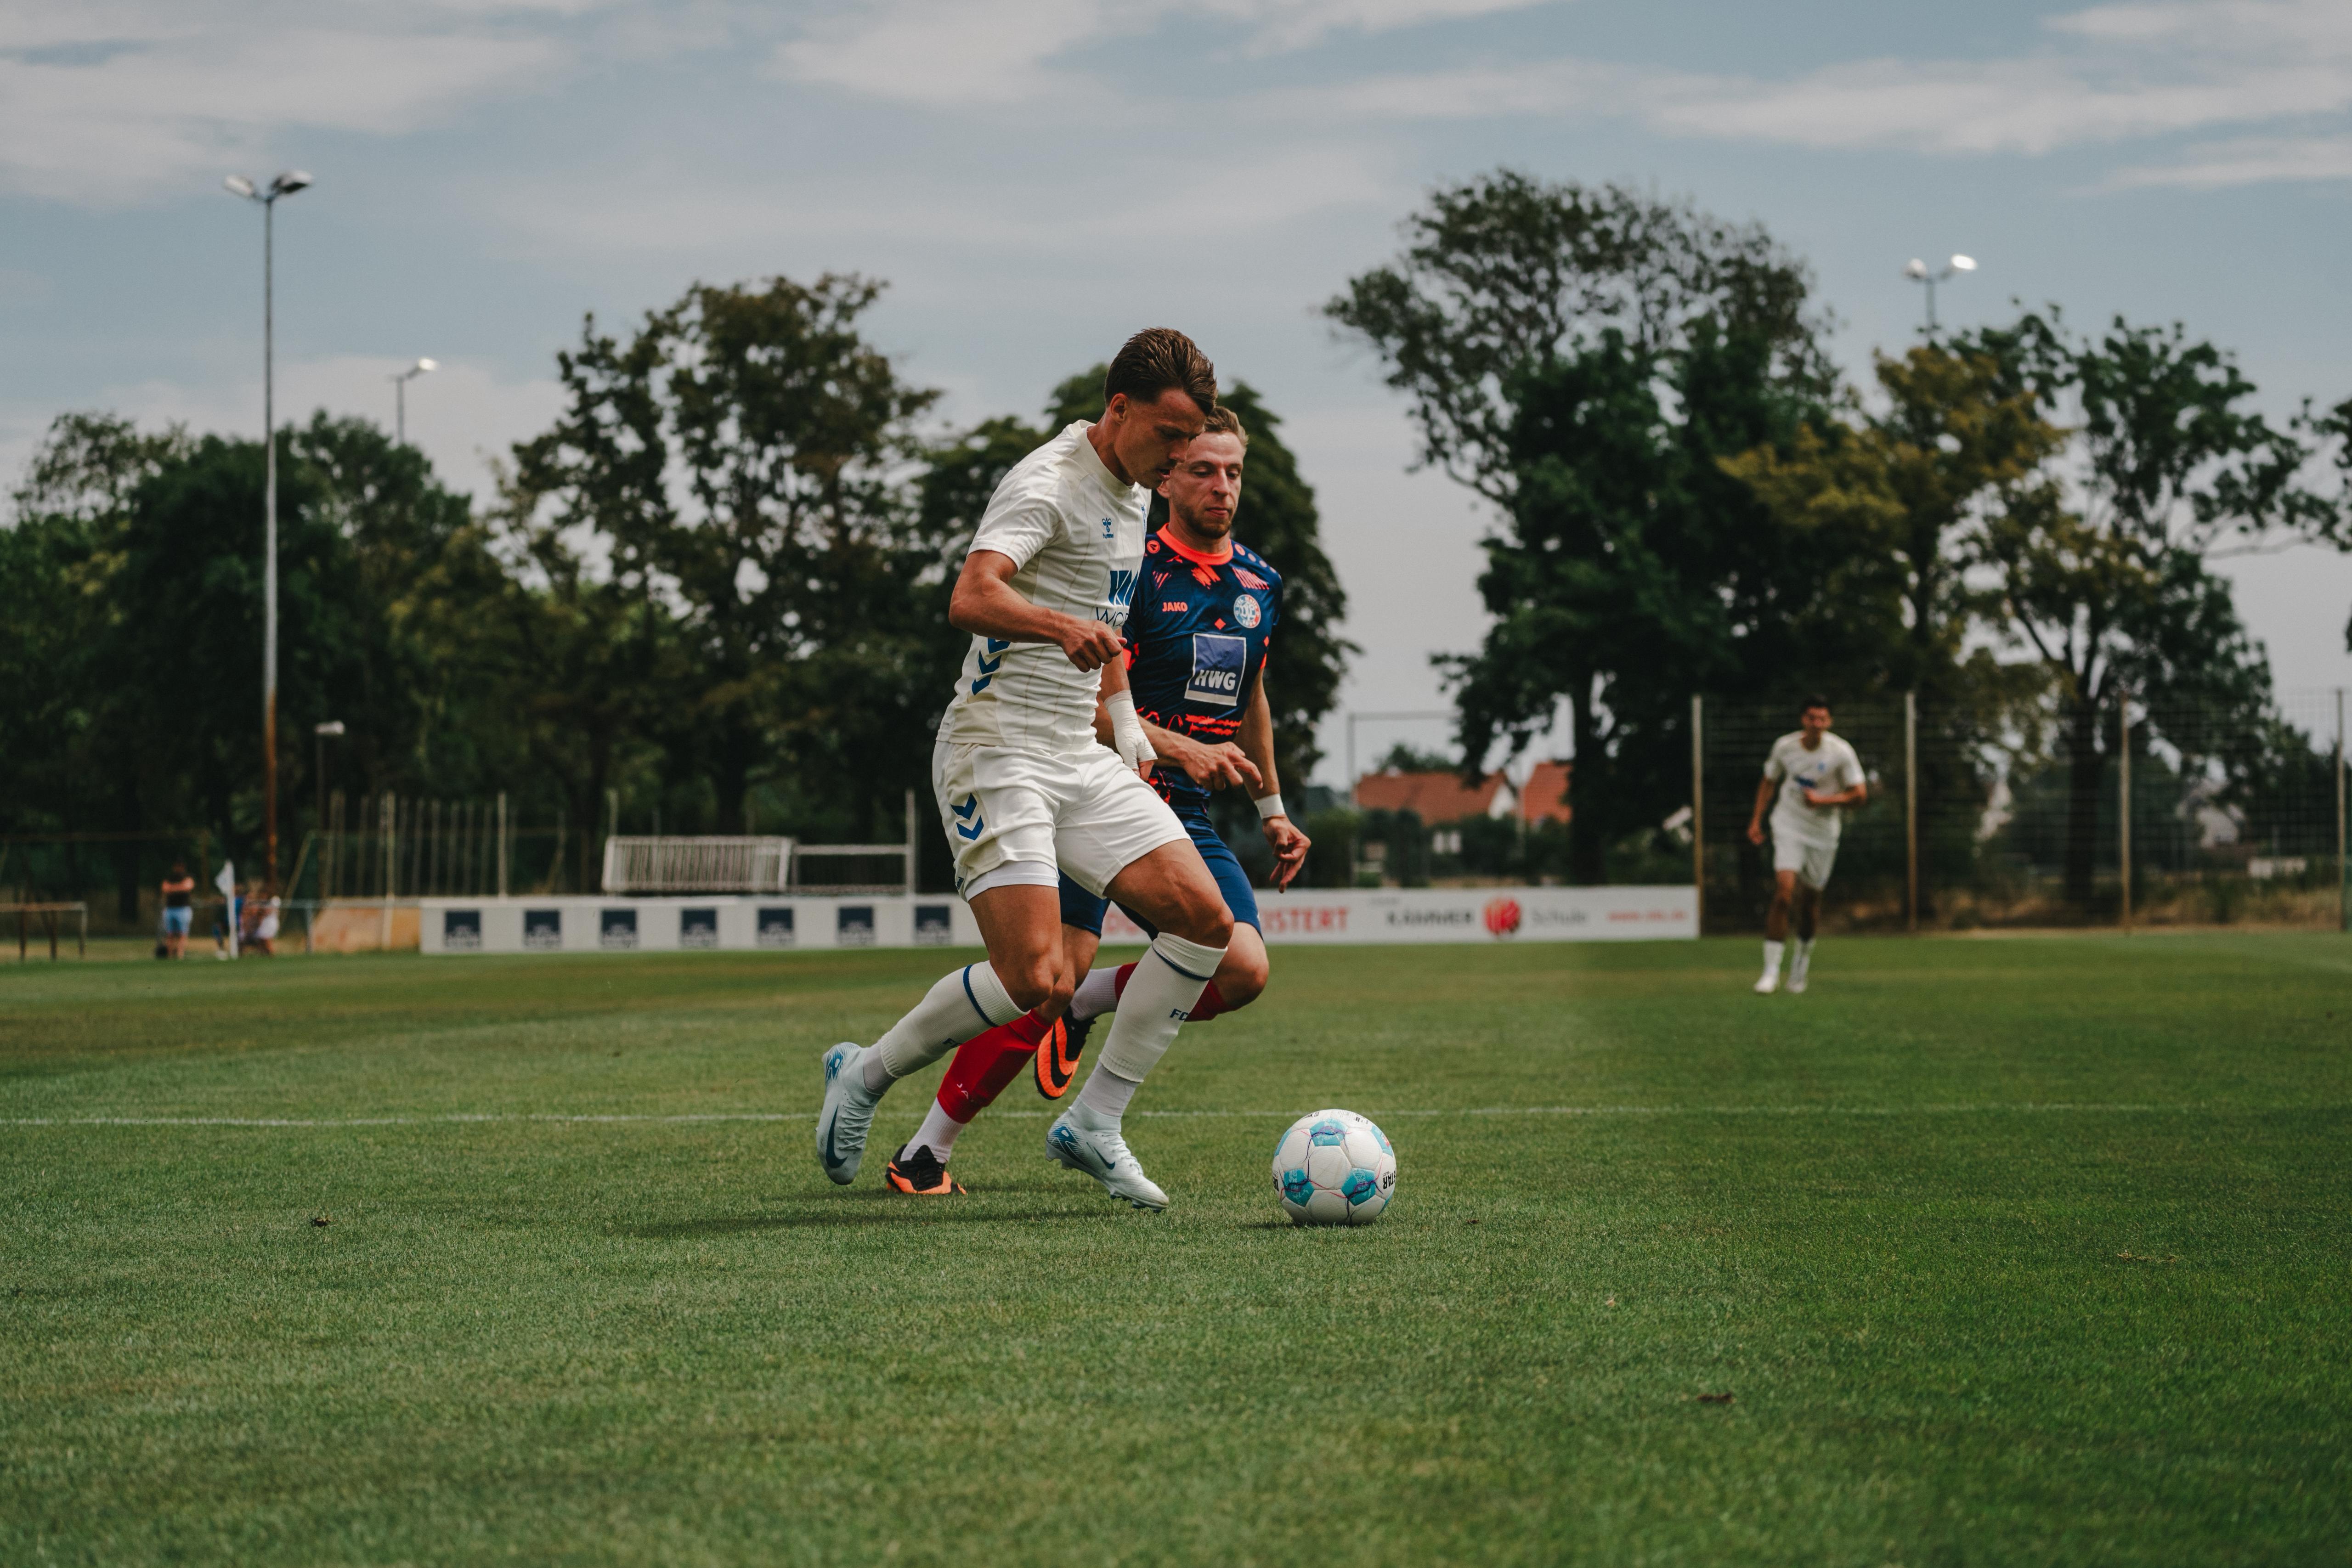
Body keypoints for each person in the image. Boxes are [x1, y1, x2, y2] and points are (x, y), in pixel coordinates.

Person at [815, 328, 1233, 1213]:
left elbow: (1106, 620)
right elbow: (971, 595)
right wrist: (1055, 625)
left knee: (1207, 925)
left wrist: (1128, 728)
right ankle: (864, 1072)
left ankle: (1096, 1121)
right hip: (996, 747)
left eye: (1188, 441)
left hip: (1077, 753)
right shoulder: (1047, 482)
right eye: (1168, 436)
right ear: (1117, 409)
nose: (1178, 459)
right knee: (1037, 978)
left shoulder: (1137, 486)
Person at [880, 406, 1311, 1196]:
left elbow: (1254, 693)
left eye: (1233, 471)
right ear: (1169, 475)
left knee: (1242, 968)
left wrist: (1273, 807)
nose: (1220, 485)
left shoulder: (1260, 582)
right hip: (1093, 779)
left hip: (1180, 807)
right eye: (1202, 469)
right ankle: (926, 1148)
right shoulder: (1132, 560)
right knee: (1042, 976)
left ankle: (1086, 1016)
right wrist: (1170, 746)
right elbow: (1085, 703)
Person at [1746, 696, 1866, 994]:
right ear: (1803, 720)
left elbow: (1859, 795)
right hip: (1788, 824)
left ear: (1829, 722)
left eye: (1822, 719)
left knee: (1811, 904)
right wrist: (1756, 820)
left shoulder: (1841, 752)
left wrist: (1824, 801)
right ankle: (1771, 972)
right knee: (1784, 893)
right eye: (1812, 718)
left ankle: (1800, 966)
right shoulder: (1784, 747)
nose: (1817, 724)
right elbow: (1768, 781)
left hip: (1823, 833)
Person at [159, 864, 195, 959]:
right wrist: (180, 887)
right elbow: (165, 888)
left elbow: (188, 887)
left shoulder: (188, 876)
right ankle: (170, 955)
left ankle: (180, 955)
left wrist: (173, 888)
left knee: (182, 933)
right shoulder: (170, 877)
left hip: (183, 909)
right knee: (170, 934)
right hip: (170, 909)